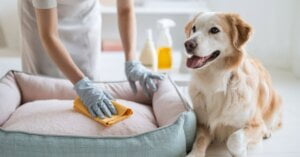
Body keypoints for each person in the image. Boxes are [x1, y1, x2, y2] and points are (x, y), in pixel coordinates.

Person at [18, 0, 164, 119]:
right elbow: (49, 35)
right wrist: (82, 84)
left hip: (84, 16)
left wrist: (132, 61)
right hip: (41, 23)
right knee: (46, 91)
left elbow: (125, 9)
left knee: (92, 88)